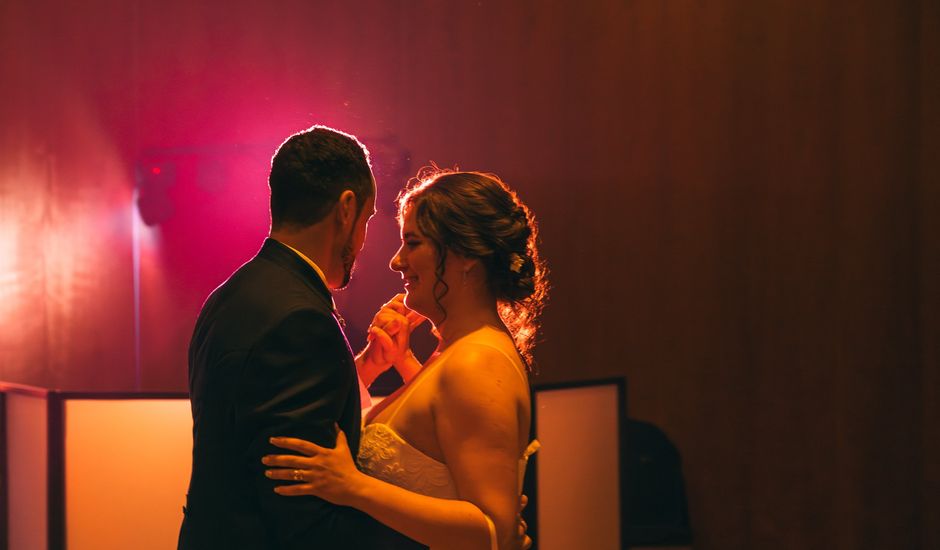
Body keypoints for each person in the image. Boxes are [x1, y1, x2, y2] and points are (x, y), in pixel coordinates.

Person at [261, 168, 548, 550]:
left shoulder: (476, 363)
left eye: (412, 243)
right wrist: (395, 362)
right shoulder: (455, 354)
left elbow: (493, 531)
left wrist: (353, 487)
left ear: (467, 256)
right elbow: (438, 454)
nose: (397, 261)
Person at [178, 126, 426, 549]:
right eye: (366, 219)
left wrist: (362, 369)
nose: (364, 241)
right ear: (345, 209)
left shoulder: (231, 294)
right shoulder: (301, 320)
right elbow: (304, 516)